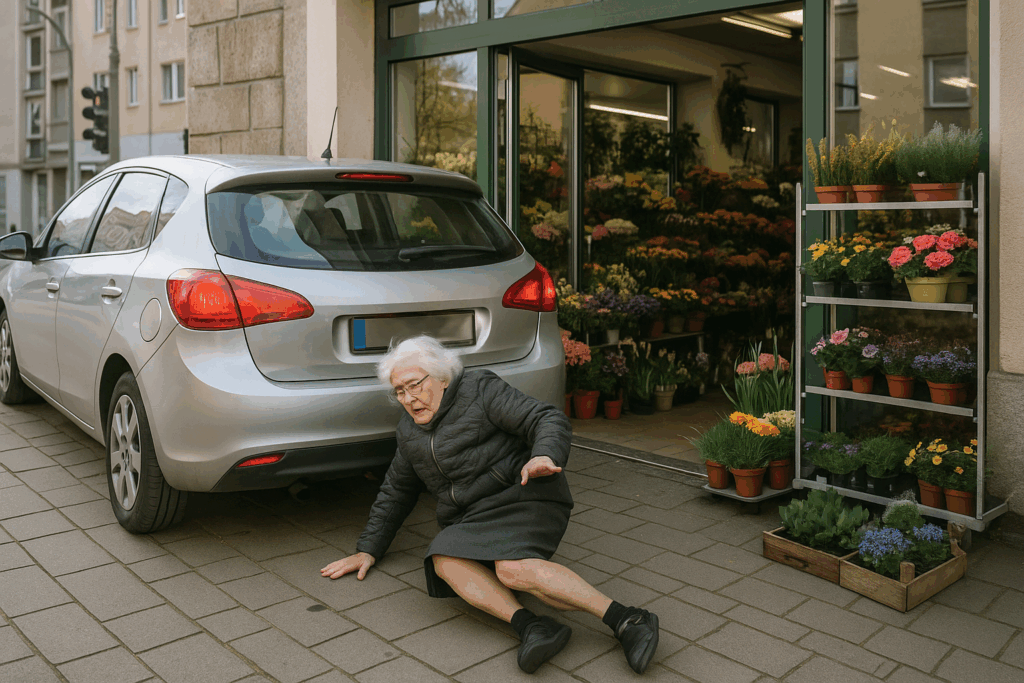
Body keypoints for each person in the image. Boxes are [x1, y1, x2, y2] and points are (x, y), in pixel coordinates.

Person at [321, 335, 660, 674]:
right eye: (399, 391)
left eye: (414, 386)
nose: (408, 399)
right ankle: (533, 626)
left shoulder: (479, 389)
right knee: (442, 559)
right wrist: (368, 549)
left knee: (511, 570)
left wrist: (544, 454)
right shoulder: (408, 433)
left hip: (524, 491)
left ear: (441, 377)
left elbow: (545, 418)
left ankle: (628, 618)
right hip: (473, 514)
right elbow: (396, 490)